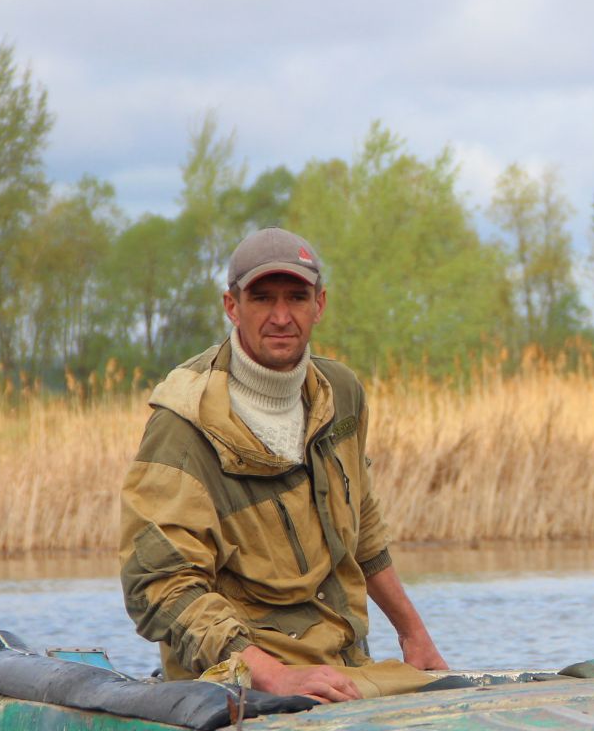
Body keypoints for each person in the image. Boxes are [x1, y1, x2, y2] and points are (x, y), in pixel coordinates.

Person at [120, 227, 447, 703]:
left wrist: (414, 634)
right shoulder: (183, 426)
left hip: (347, 671)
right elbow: (160, 589)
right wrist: (276, 677)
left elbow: (363, 529)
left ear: (320, 305)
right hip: (240, 689)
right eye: (262, 298)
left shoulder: (341, 394)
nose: (281, 317)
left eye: (296, 297)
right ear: (232, 306)